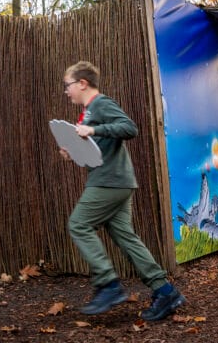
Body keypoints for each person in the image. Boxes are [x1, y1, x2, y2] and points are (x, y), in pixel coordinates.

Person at [58, 61, 185, 321]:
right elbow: (98, 146)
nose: (66, 91)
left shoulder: (101, 104)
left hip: (109, 181)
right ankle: (165, 290)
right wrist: (73, 151)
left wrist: (93, 129)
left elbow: (129, 128)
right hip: (115, 180)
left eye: (67, 85)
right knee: (126, 237)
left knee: (79, 224)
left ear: (82, 83)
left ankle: (108, 284)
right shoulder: (89, 111)